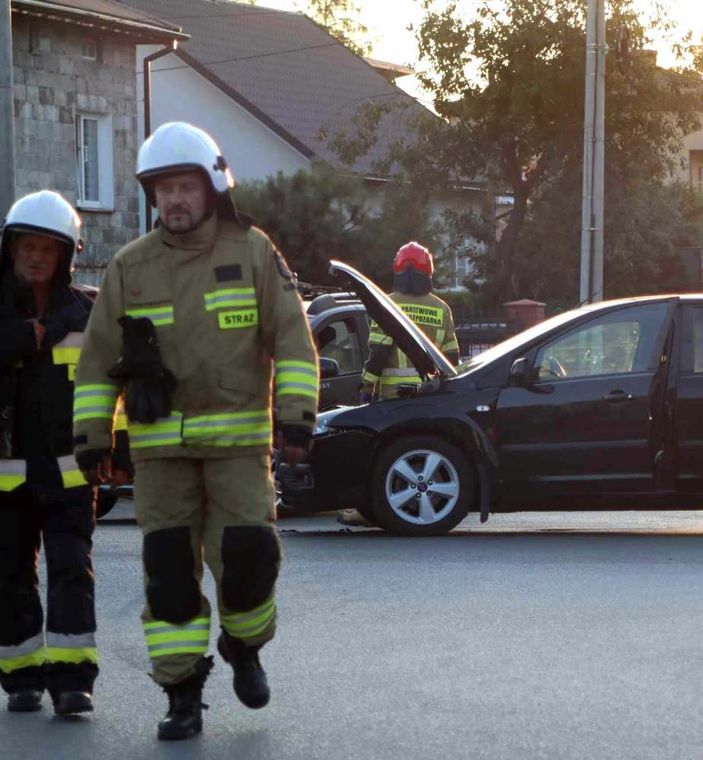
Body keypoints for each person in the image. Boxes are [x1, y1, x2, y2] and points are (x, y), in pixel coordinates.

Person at [72, 122, 319, 740]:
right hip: (161, 458)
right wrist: (93, 437)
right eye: (164, 190)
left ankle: (244, 643)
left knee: (250, 558)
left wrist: (296, 417)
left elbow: (292, 339)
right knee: (170, 576)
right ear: (153, 197)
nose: (175, 200)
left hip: (239, 449)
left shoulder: (254, 251)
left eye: (186, 187)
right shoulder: (130, 268)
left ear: (212, 189)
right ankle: (182, 693)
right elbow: (97, 362)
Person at [0, 191, 112, 717]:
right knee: (10, 573)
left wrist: (118, 445)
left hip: (69, 471)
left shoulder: (88, 313)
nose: (36, 256)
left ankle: (72, 681)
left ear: (65, 255)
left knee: (71, 569)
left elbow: (114, 383)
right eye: (27, 245)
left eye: (47, 247)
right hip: (4, 475)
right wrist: (15, 340)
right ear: (10, 248)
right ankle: (20, 675)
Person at [337, 242, 458, 528]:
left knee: (379, 455)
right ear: (428, 270)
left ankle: (367, 511)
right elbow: (451, 356)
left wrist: (365, 386)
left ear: (398, 269)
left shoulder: (388, 304)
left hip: (392, 396)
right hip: (431, 395)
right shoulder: (442, 308)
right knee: (420, 452)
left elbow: (379, 351)